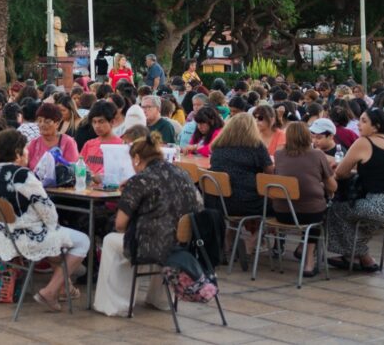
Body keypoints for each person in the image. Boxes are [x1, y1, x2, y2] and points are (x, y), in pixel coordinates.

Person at [94, 131, 203, 316]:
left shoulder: (140, 180)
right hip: (183, 243)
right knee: (158, 232)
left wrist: (130, 192)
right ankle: (160, 299)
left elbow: (120, 224)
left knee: (112, 240)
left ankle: (115, 305)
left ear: (137, 158)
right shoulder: (182, 173)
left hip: (152, 245)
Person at [0, 129, 89, 311]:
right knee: (82, 241)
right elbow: (49, 213)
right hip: (25, 239)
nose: (28, 152)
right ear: (17, 153)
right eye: (25, 149)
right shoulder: (23, 175)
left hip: (2, 237)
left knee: (56, 242)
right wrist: (54, 228)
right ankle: (50, 291)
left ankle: (65, 287)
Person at [326, 108, 384, 272]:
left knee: (336, 209)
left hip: (382, 207)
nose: (358, 125)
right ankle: (353, 256)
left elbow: (341, 173)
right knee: (359, 216)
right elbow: (379, 170)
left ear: (376, 126)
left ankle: (363, 257)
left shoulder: (364, 142)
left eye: (364, 121)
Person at [273, 121, 337, 277]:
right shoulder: (317, 155)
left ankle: (301, 249)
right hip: (309, 214)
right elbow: (333, 187)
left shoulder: (278, 154)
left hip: (282, 213)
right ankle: (308, 263)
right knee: (316, 212)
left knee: (309, 206)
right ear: (307, 136)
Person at [209, 111, 273, 253]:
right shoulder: (256, 146)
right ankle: (253, 240)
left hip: (218, 202)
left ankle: (230, 235)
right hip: (246, 203)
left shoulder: (218, 146)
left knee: (237, 190)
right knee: (276, 201)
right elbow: (270, 173)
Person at [79, 100, 122, 181]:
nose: (97, 126)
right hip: (87, 187)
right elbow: (79, 166)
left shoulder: (120, 146)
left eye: (101, 121)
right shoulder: (89, 144)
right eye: (94, 122)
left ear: (112, 122)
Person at [26, 102, 78, 170]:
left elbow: (72, 170)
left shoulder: (68, 143)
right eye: (39, 121)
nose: (42, 124)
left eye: (47, 121)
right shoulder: (33, 144)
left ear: (57, 124)